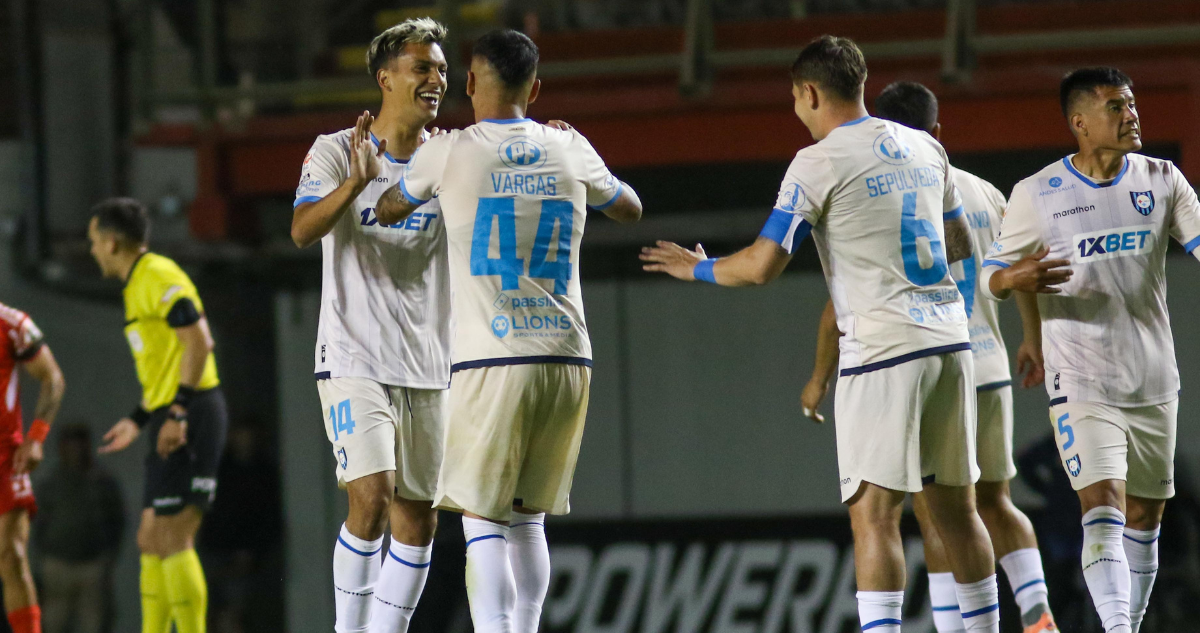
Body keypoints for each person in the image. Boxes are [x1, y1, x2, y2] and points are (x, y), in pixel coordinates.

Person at [642, 35, 1001, 632]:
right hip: (949, 342)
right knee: (960, 515)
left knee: (875, 519)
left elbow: (762, 266)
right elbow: (960, 243)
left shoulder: (817, 162)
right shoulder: (925, 146)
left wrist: (697, 268)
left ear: (809, 92)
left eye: (794, 98)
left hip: (883, 354)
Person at [373, 28, 643, 633]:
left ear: (470, 82)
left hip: (490, 359)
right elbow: (629, 207)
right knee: (528, 518)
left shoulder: (451, 151)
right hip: (568, 358)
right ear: (535, 89)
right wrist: (577, 153)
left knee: (484, 520)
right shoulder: (568, 146)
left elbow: (389, 208)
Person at [799, 81, 1058, 633]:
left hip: (916, 357)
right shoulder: (986, 194)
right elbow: (1026, 264)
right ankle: (1036, 608)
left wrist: (819, 378)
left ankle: (953, 627)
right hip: (983, 365)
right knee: (991, 505)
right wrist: (1031, 337)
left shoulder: (882, 189)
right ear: (936, 131)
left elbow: (837, 307)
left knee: (932, 511)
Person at [980, 66, 1200, 633]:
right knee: (1102, 507)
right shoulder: (1038, 193)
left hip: (1152, 377)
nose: (1131, 116)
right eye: (1115, 107)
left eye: (1132, 104)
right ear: (1079, 122)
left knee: (1144, 518)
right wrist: (1013, 278)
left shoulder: (1163, 179)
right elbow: (992, 276)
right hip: (1079, 378)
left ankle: (1127, 623)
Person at [290, 17, 452, 633]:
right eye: (422, 67)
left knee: (419, 521)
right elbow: (302, 230)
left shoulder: (448, 156)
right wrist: (356, 183)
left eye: (441, 69)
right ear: (385, 78)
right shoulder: (336, 150)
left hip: (428, 362)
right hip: (353, 355)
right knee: (373, 496)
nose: (436, 79)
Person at [87, 197, 228, 633]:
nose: (92, 250)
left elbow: (199, 342)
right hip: (172, 413)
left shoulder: (158, 275)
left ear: (112, 243)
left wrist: (179, 413)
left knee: (174, 536)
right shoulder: (138, 285)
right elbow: (167, 365)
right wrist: (138, 419)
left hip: (192, 414)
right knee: (150, 538)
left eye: (94, 241)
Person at [0, 302, 65, 633]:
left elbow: (52, 377)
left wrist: (36, 437)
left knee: (11, 555)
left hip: (4, 456)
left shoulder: (11, 323)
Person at [33, 424, 125, 633]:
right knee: (53, 623)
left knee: (93, 624)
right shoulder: (50, 482)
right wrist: (42, 561)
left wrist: (108, 557)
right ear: (61, 447)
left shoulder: (102, 482)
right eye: (70, 444)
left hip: (92, 566)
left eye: (80, 443)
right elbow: (37, 522)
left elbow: (117, 522)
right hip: (56, 566)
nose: (76, 450)